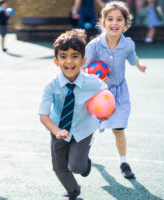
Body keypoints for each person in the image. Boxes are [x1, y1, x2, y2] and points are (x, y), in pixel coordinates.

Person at [38, 29, 109, 200]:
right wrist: (56, 131)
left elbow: (106, 98)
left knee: (77, 167)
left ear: (83, 60)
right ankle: (73, 190)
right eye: (63, 56)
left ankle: (84, 163)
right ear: (56, 61)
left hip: (83, 129)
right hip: (58, 129)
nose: (69, 61)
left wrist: (105, 113)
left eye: (75, 56)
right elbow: (43, 115)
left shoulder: (93, 82)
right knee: (59, 167)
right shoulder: (51, 85)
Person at [82, 1, 147, 179]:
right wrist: (92, 79)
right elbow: (82, 67)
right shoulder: (94, 46)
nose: (114, 23)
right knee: (92, 126)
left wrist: (140, 66)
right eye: (110, 19)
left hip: (119, 92)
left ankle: (123, 162)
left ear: (125, 25)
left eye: (119, 19)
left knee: (118, 129)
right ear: (103, 23)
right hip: (97, 94)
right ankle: (85, 151)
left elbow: (133, 58)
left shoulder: (127, 45)